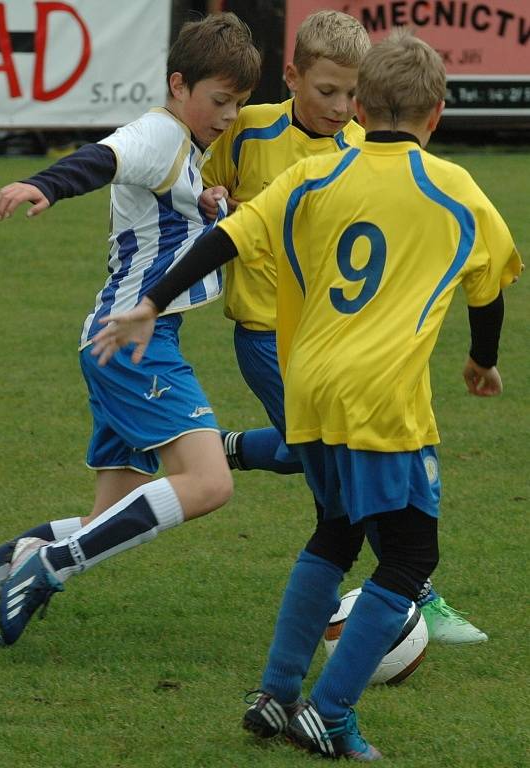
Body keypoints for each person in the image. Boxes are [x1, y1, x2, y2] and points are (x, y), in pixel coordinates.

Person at [87, 28, 522, 760]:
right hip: (382, 398)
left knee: (335, 531)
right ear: (437, 114)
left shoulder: (318, 173)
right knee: (411, 559)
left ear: (364, 102)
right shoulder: (455, 188)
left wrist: (153, 300)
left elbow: (230, 237)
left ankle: (275, 692)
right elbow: (492, 283)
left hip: (308, 387)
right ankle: (330, 713)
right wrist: (482, 362)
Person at [0, 12, 261, 645]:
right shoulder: (159, 131)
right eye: (220, 100)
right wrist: (44, 184)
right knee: (208, 482)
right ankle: (44, 564)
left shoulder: (186, 148)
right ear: (179, 85)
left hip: (120, 339)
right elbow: (104, 158)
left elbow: (165, 206)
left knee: (106, 518)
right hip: (134, 344)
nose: (229, 115)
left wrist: (207, 203)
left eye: (238, 104)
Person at [201, 9, 487, 645]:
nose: (340, 106)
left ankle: (227, 450)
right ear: (292, 77)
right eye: (327, 90)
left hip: (343, 343)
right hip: (266, 337)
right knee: (346, 475)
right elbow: (207, 179)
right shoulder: (248, 130)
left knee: (333, 462)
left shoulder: (365, 151)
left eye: (353, 94)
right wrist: (210, 197)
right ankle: (413, 592)